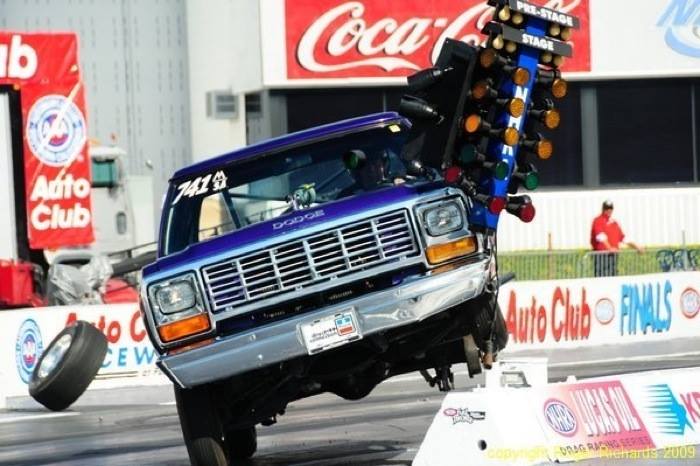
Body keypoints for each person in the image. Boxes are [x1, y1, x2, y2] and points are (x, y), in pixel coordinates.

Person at [590, 200, 644, 277]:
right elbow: (600, 236)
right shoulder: (598, 220)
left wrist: (637, 247)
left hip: (613, 256)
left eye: (610, 208)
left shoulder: (614, 223)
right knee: (601, 278)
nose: (609, 210)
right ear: (603, 209)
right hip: (601, 256)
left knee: (613, 277)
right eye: (606, 208)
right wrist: (609, 248)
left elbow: (623, 238)